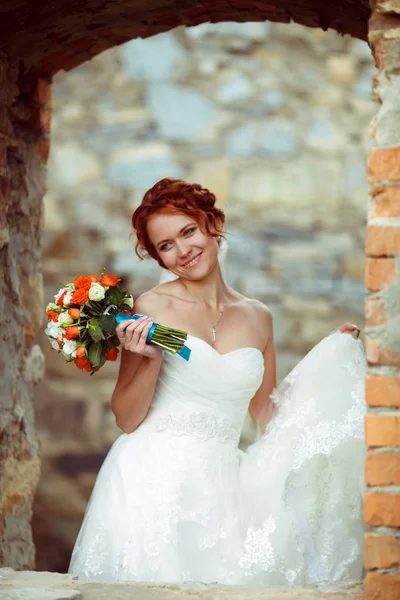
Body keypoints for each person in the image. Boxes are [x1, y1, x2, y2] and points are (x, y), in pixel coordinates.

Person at [68, 178, 366, 585]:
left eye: (188, 231)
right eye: (166, 245)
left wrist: (326, 360)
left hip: (224, 490)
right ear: (158, 257)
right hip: (150, 480)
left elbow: (265, 415)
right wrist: (151, 360)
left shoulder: (258, 316)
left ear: (211, 224)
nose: (183, 251)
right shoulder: (153, 309)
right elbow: (125, 418)